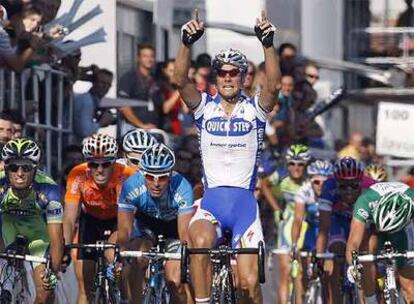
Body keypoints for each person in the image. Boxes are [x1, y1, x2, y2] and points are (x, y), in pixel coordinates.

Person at [174, 9, 280, 304]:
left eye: (235, 72)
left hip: (244, 206)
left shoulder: (254, 109)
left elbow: (273, 86)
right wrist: (186, 43)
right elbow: (180, 80)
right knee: (200, 242)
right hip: (212, 203)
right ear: (215, 77)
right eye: (222, 72)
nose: (228, 77)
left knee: (249, 286)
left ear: (244, 77)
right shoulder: (204, 107)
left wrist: (268, 45)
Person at [117, 143, 194, 303]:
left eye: (163, 177)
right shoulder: (131, 185)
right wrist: (122, 253)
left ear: (171, 174)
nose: (156, 183)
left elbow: (184, 233)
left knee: (175, 279)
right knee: (137, 259)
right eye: (150, 177)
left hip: (174, 229)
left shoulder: (183, 187)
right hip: (147, 226)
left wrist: (185, 257)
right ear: (142, 173)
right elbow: (124, 229)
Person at [63, 134, 134, 304]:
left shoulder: (126, 175)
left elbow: (128, 219)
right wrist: (63, 247)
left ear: (115, 162)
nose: (100, 170)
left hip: (119, 220)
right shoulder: (77, 174)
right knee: (85, 286)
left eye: (106, 164)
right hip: (91, 221)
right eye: (94, 164)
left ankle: (126, 298)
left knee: (115, 258)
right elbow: (69, 218)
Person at [0, 138, 64, 302]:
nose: (20, 173)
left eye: (26, 167)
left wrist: (53, 273)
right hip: (8, 227)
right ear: (6, 169)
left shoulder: (49, 190)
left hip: (38, 234)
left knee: (44, 290)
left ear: (35, 169)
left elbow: (57, 239)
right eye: (14, 167)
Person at [316, 157, 376, 304]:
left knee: (366, 255)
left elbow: (376, 227)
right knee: (335, 252)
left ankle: (368, 297)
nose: (349, 190)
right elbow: (324, 227)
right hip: (340, 220)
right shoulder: (328, 187)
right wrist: (321, 256)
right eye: (343, 186)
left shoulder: (371, 187)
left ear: (361, 182)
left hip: (364, 222)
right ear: (336, 183)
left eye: (354, 186)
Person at [346, 183, 414, 302]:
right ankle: (371, 299)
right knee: (365, 255)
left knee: (409, 285)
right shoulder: (364, 202)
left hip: (402, 229)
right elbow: (353, 241)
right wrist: (353, 265)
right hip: (375, 229)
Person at [263, 144, 310, 304]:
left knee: (302, 273)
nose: (295, 168)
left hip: (306, 225)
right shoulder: (281, 174)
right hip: (287, 225)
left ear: (306, 165)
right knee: (285, 273)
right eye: (292, 163)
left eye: (300, 164)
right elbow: (264, 184)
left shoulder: (311, 179)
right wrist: (276, 208)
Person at [291, 159, 333, 302]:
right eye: (317, 182)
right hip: (312, 234)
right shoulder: (304, 191)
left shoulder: (334, 193)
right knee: (304, 275)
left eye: (325, 182)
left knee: (329, 277)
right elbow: (297, 220)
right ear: (310, 181)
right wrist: (294, 244)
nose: (321, 186)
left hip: (328, 234)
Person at [118, 43, 163, 131]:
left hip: (152, 129)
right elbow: (124, 106)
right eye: (145, 56)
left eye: (152, 56)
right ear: (139, 58)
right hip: (133, 128)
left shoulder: (155, 80)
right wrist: (141, 125)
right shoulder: (129, 78)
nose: (149, 59)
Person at [73, 68, 115, 141]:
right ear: (94, 83)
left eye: (109, 84)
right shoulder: (87, 101)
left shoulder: (90, 100)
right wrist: (101, 122)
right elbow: (84, 131)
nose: (106, 87)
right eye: (102, 83)